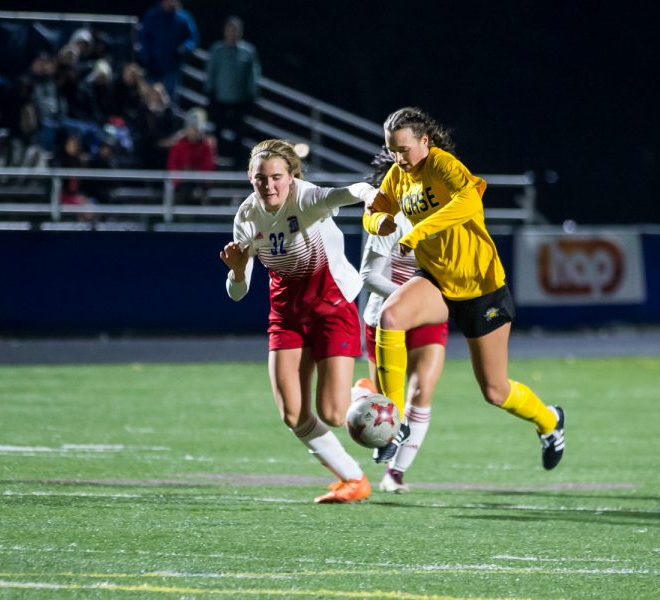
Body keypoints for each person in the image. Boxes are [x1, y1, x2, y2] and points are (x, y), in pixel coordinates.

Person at [363, 106, 565, 470]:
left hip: (480, 287)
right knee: (390, 316)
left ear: (424, 141)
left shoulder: (441, 165)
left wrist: (418, 230)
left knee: (495, 390)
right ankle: (393, 424)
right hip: (437, 280)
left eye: (404, 149)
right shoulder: (397, 175)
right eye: (392, 149)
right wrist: (380, 222)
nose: (398, 157)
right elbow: (372, 211)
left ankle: (550, 422)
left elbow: (470, 201)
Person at [219, 138, 378, 504]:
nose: (269, 186)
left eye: (276, 177)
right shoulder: (246, 217)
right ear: (250, 178)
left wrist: (369, 194)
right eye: (261, 179)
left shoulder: (306, 198)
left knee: (335, 414)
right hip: (287, 316)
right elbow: (236, 293)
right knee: (293, 414)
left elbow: (345, 193)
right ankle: (354, 480)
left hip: (331, 309)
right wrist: (238, 272)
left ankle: (361, 393)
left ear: (292, 177)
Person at [358, 151, 447, 493]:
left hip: (426, 318)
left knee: (422, 389)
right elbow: (368, 274)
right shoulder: (390, 218)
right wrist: (407, 301)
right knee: (385, 407)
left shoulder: (444, 211)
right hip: (383, 318)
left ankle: (395, 473)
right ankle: (360, 394)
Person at [204, 16, 261, 168]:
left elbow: (253, 75)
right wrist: (209, 93)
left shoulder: (248, 51)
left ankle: (238, 164)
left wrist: (252, 95)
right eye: (230, 29)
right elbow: (211, 72)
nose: (233, 33)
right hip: (219, 99)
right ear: (225, 31)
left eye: (236, 30)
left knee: (240, 135)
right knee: (217, 132)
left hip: (240, 101)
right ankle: (213, 162)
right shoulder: (217, 50)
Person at [139, 0, 199, 99]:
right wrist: (147, 58)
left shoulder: (184, 18)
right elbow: (143, 38)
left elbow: (193, 38)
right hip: (152, 67)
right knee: (148, 99)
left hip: (172, 67)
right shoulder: (152, 16)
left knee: (169, 100)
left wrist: (184, 48)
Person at [166, 107, 216, 203]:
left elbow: (208, 166)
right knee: (182, 195)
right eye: (191, 128)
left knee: (196, 195)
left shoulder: (206, 146)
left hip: (198, 183)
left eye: (197, 128)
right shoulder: (178, 144)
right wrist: (179, 180)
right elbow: (172, 165)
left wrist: (195, 174)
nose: (194, 131)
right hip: (181, 184)